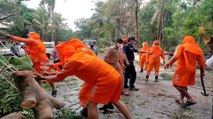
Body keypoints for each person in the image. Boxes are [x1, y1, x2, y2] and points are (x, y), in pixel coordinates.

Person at [39, 38, 132, 119]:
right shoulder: (80, 54)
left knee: (92, 104)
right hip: (114, 76)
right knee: (115, 101)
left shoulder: (72, 61)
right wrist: (49, 72)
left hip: (105, 80)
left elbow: (59, 77)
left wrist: (42, 77)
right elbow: (66, 70)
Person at [10, 32, 57, 97]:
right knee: (37, 78)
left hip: (43, 62)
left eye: (29, 36)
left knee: (47, 77)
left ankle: (54, 90)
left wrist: (11, 37)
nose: (28, 37)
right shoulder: (34, 43)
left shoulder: (34, 41)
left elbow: (23, 40)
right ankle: (40, 93)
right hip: (37, 62)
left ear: (33, 36)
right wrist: (24, 47)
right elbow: (32, 50)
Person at [164, 36, 205, 107]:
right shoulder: (198, 49)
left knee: (176, 84)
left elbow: (176, 56)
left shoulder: (181, 46)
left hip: (182, 69)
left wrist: (169, 63)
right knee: (183, 85)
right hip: (192, 70)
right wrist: (202, 72)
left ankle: (190, 98)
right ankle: (181, 100)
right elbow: (202, 63)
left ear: (184, 40)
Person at [100, 38, 130, 112]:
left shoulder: (119, 49)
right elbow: (105, 57)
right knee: (111, 83)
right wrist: (105, 67)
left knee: (121, 79)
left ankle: (118, 93)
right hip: (110, 66)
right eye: (120, 43)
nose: (121, 44)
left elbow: (118, 58)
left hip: (116, 66)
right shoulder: (111, 49)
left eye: (122, 43)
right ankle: (108, 102)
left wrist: (122, 64)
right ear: (116, 42)